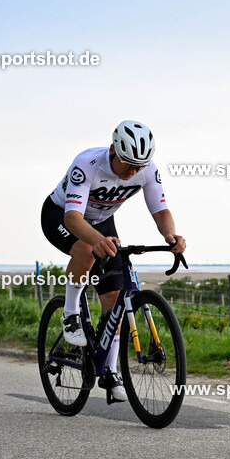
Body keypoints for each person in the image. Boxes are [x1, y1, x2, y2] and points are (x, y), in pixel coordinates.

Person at [41, 120, 186, 401]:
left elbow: (161, 211)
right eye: (128, 165)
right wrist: (96, 240)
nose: (133, 171)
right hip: (61, 216)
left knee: (115, 300)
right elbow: (73, 218)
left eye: (138, 166)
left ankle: (107, 372)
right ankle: (70, 314)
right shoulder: (88, 164)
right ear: (112, 150)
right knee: (85, 250)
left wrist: (171, 236)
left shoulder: (147, 170)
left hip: (102, 221)